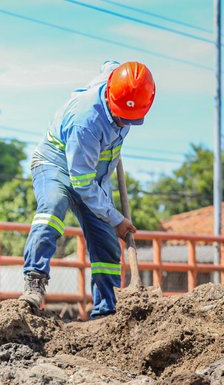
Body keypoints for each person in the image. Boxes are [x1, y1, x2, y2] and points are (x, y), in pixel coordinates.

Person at [19, 61, 156, 319]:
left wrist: (110, 221)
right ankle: (34, 280)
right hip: (56, 164)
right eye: (119, 116)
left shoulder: (120, 83)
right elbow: (81, 183)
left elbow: (110, 65)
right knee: (53, 207)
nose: (123, 122)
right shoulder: (86, 121)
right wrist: (116, 218)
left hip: (95, 178)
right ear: (110, 97)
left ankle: (107, 312)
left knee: (106, 243)